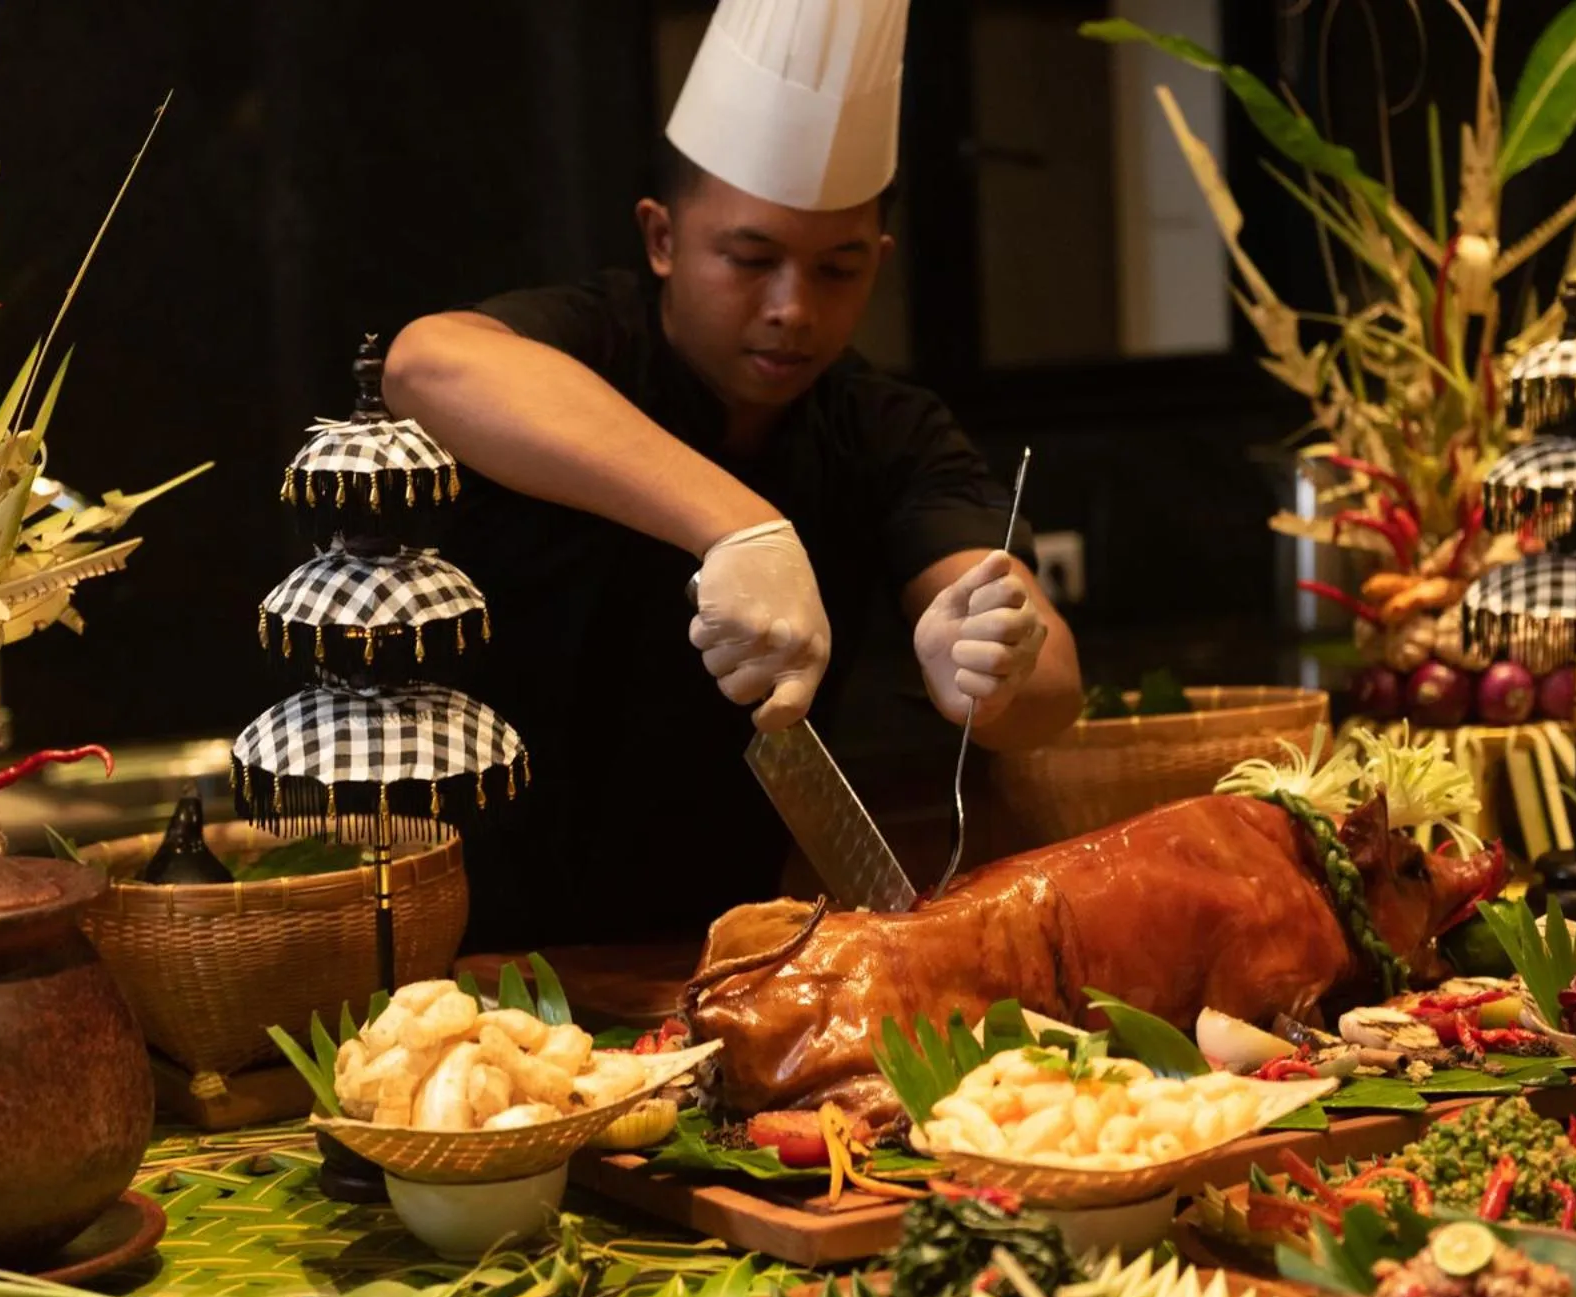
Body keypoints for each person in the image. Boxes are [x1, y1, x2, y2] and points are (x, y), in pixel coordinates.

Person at [383, 0, 1082, 950]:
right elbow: (426, 364)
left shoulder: (889, 430)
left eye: (838, 271)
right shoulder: (592, 338)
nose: (793, 309)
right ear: (662, 238)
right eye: (751, 259)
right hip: (471, 946)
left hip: (716, 954)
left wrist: (992, 668)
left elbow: (1051, 688)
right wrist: (740, 527)